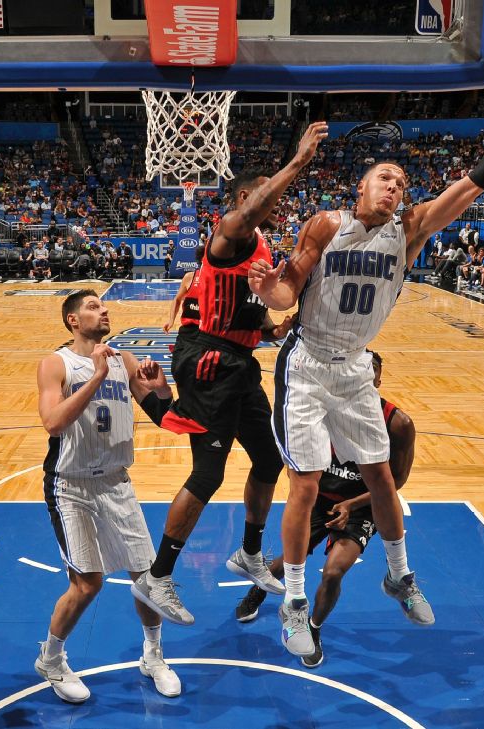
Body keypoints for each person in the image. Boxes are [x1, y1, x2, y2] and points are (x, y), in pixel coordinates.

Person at [248, 69, 484, 656]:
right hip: (308, 360)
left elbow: (476, 183)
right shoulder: (327, 225)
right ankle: (293, 603)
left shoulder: (410, 230)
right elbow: (287, 293)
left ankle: (398, 574)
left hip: (354, 365)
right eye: (383, 178)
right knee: (307, 482)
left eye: (401, 180)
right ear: (361, 189)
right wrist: (268, 288)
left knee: (381, 475)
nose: (394, 186)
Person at [130, 123, 329, 627]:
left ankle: (249, 553)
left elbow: (254, 316)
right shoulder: (229, 233)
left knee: (268, 458)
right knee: (208, 473)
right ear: (245, 197)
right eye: (260, 198)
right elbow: (251, 213)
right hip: (208, 358)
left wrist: (280, 325)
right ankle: (158, 575)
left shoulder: (260, 249)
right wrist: (298, 160)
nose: (271, 207)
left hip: (239, 361)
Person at [33, 291, 181, 703]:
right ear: (72, 321)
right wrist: (95, 377)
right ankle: (52, 657)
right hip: (71, 485)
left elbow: (166, 416)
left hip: (116, 482)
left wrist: (162, 387)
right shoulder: (55, 364)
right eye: (94, 307)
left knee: (146, 579)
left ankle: (153, 656)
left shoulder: (125, 360)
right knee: (87, 585)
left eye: (104, 305)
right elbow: (52, 423)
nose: (104, 310)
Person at [234, 351, 416, 668]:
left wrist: (351, 504)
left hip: (363, 505)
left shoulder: (397, 424)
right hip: (321, 497)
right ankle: (259, 591)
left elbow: (395, 481)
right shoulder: (319, 412)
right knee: (294, 555)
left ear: (377, 379)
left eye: (368, 373)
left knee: (333, 573)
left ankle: (314, 630)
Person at [161, 246, 205, 334]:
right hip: (188, 330)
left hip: (206, 332)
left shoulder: (217, 279)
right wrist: (171, 320)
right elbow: (177, 299)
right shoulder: (190, 277)